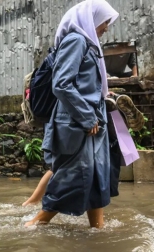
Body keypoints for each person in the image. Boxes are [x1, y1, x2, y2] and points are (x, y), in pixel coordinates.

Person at [24, 0, 119, 228]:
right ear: (92, 19)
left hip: (91, 123)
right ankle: (35, 225)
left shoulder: (88, 45)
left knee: (96, 177)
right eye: (105, 21)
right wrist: (87, 116)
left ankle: (98, 228)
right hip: (78, 124)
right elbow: (62, 84)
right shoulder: (76, 41)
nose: (106, 27)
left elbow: (84, 84)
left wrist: (101, 96)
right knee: (73, 177)